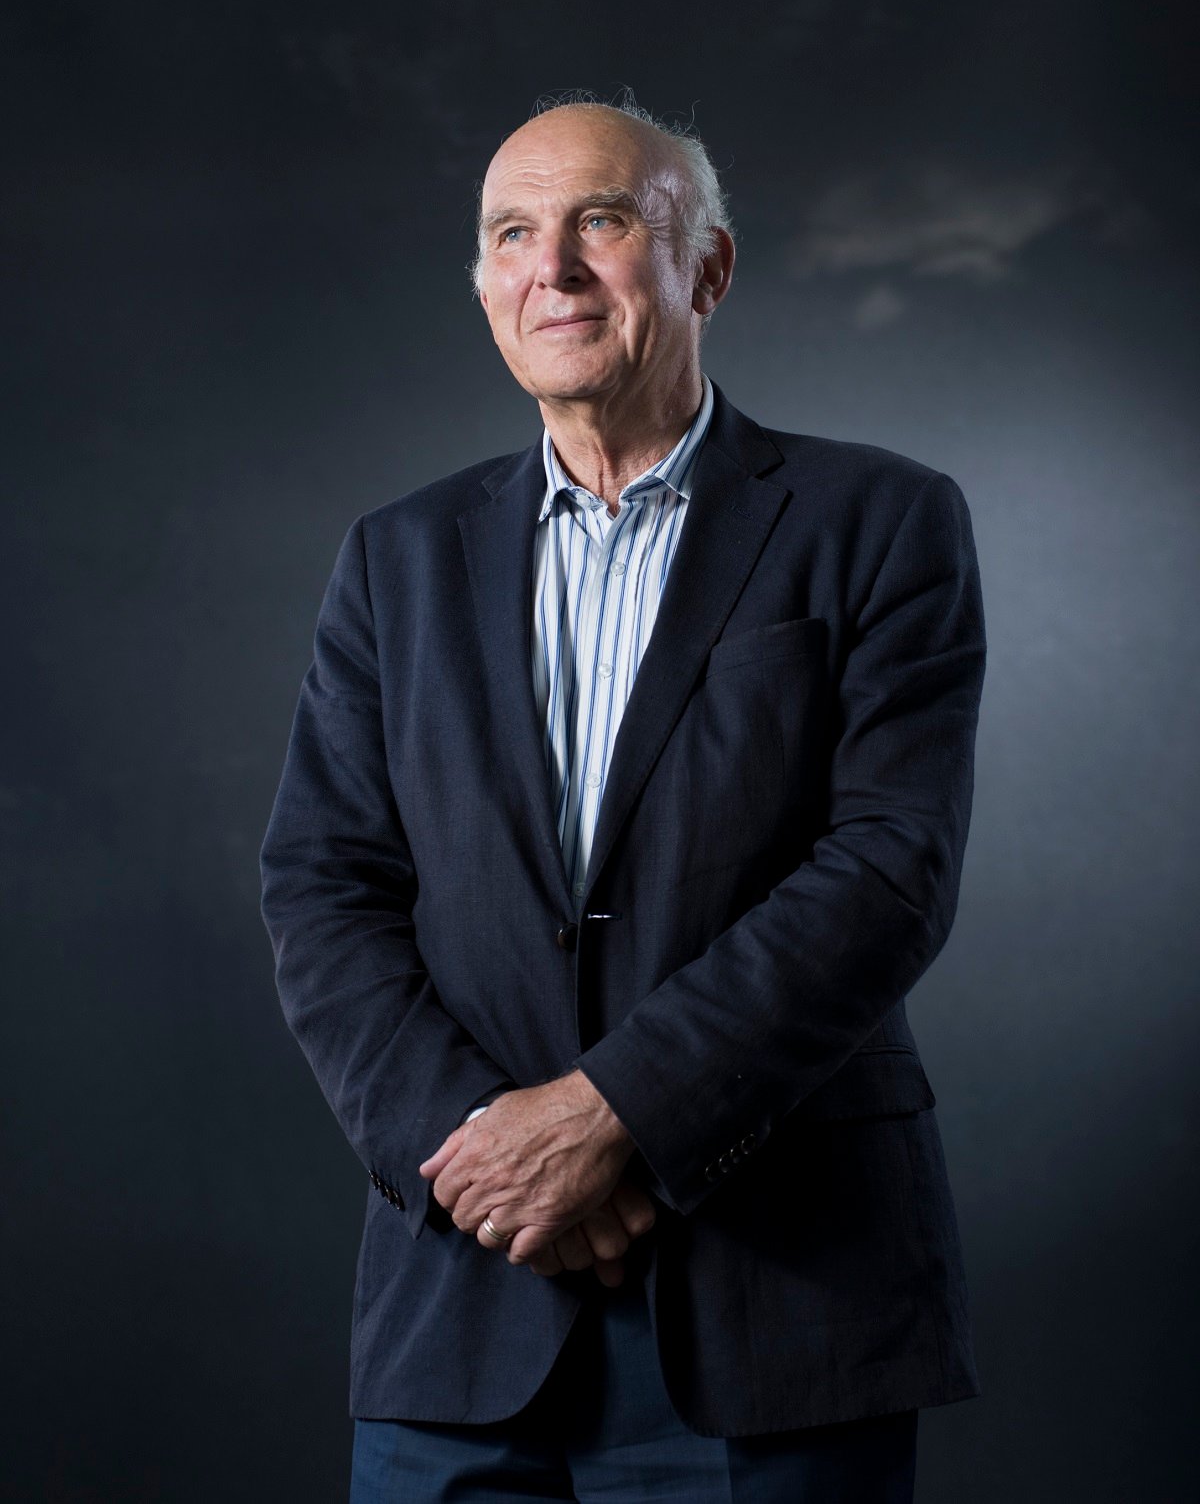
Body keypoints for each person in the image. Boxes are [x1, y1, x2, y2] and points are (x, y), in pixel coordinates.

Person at [260, 93, 987, 1502]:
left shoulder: (881, 521)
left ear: (706, 267)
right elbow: (322, 887)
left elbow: (889, 868)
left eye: (601, 219)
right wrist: (491, 1162)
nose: (556, 267)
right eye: (513, 233)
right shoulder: (394, 557)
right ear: (484, 288)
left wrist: (612, 1117)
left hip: (778, 1308)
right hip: (463, 1304)